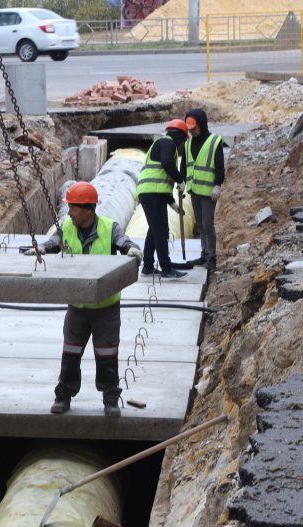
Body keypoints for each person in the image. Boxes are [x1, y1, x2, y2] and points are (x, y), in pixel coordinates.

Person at [24, 181, 143, 417]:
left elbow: (125, 242)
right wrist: (43, 249)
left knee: (107, 355)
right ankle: (63, 396)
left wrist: (131, 250)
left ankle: (110, 399)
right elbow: (53, 243)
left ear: (88, 209)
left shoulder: (110, 228)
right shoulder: (67, 227)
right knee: (70, 353)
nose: (69, 212)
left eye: (73, 208)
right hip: (77, 307)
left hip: (106, 308)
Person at [135, 119, 188, 280]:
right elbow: (167, 164)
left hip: (151, 193)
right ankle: (166, 268)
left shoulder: (160, 144)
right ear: (180, 136)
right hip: (152, 194)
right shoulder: (168, 143)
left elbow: (159, 180)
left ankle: (148, 266)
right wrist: (180, 180)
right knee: (161, 231)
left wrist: (172, 203)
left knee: (154, 230)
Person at [175, 108, 225, 271]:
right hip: (194, 190)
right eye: (189, 129)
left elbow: (219, 166)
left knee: (207, 223)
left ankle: (211, 257)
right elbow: (184, 166)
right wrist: (181, 182)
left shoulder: (214, 141)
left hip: (209, 192)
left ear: (202, 125)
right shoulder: (188, 144)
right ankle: (204, 253)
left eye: (194, 128)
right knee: (200, 225)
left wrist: (218, 184)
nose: (192, 131)